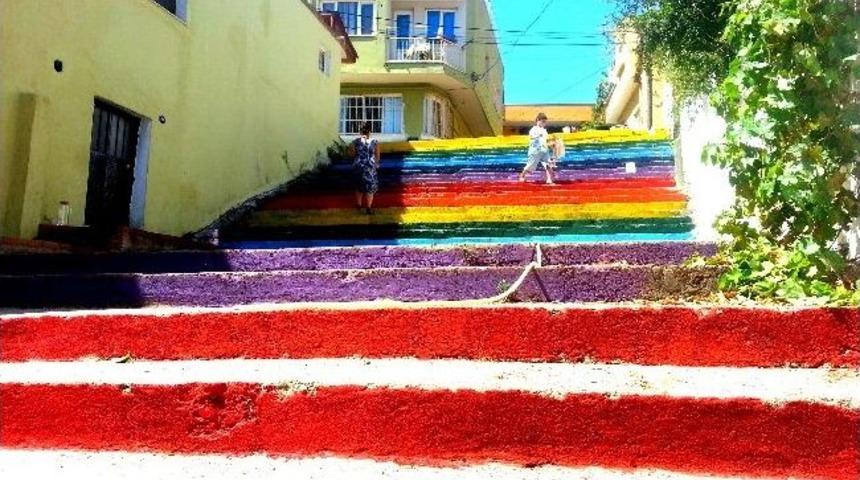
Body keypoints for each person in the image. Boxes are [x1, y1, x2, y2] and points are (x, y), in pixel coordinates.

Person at [350, 122, 381, 214]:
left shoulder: (355, 142)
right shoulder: (375, 142)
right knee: (370, 188)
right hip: (370, 167)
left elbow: (352, 154)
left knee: (359, 187)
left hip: (358, 165)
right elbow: (377, 156)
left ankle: (359, 205)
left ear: (360, 131)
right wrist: (376, 164)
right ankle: (368, 208)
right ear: (369, 131)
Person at [519, 112, 555, 185]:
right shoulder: (533, 129)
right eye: (543, 121)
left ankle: (549, 179)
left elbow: (546, 141)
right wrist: (538, 135)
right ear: (538, 120)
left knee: (548, 164)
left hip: (544, 150)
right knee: (530, 165)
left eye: (545, 122)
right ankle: (522, 175)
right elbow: (532, 137)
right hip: (535, 151)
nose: (544, 123)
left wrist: (551, 145)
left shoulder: (545, 131)